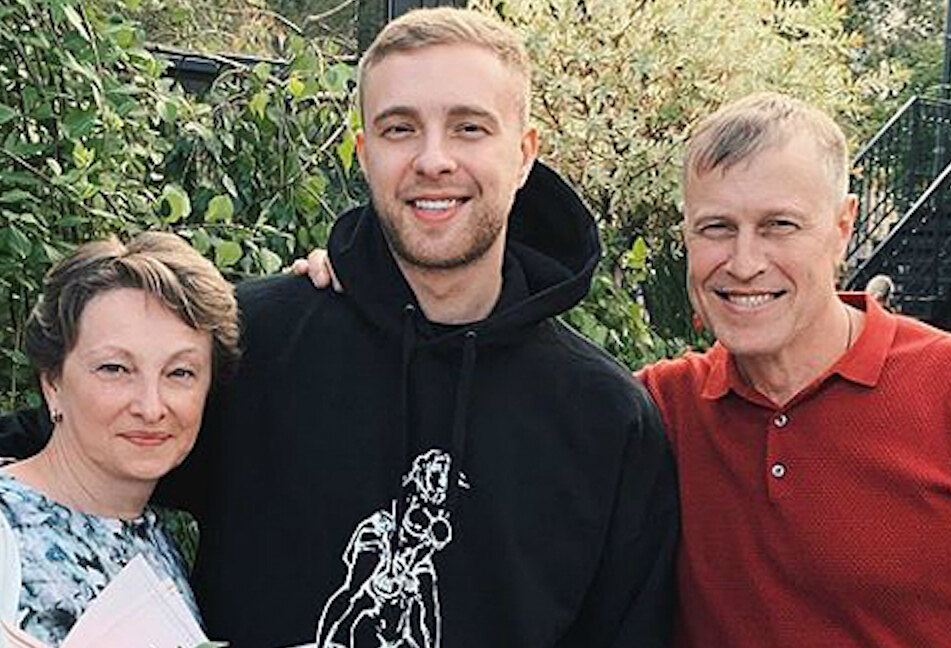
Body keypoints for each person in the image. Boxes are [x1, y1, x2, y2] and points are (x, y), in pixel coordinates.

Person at [149, 8, 676, 648]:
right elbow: (69, 475)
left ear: (523, 155)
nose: (433, 160)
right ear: (365, 154)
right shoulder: (249, 344)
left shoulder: (606, 418)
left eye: (469, 127)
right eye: (400, 129)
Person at [638, 92, 951, 646]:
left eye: (779, 225)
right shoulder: (661, 408)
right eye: (716, 227)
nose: (744, 263)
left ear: (843, 227)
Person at [0, 232, 239, 645]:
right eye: (115, 369)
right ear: (53, 383)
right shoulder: (8, 527)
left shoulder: (154, 540)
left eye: (180, 373)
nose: (151, 406)